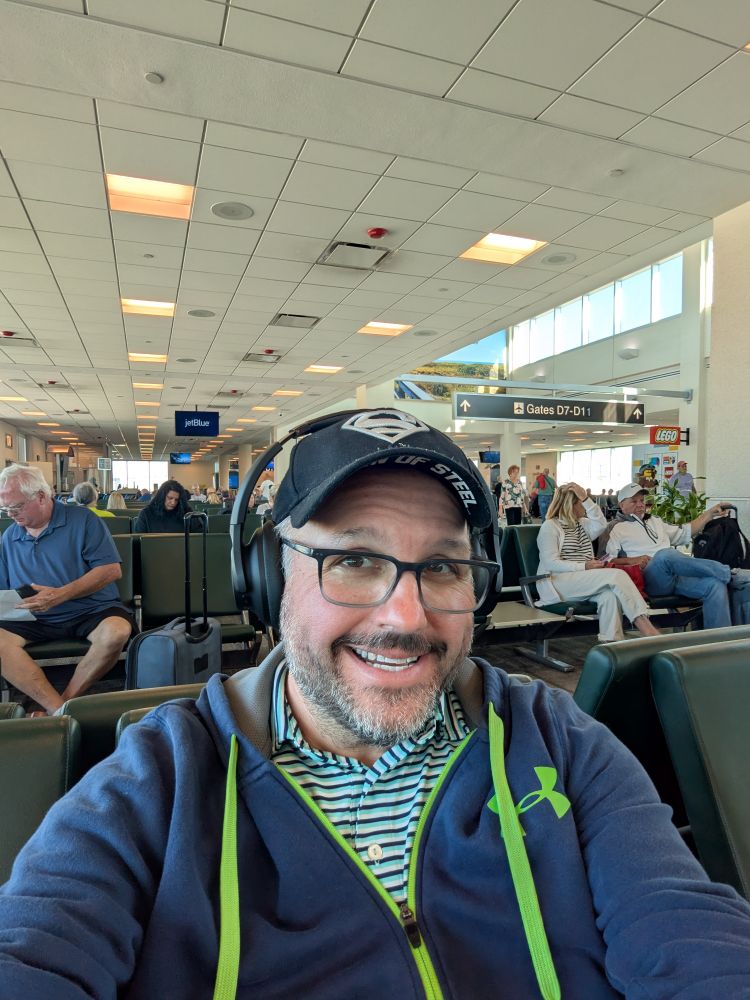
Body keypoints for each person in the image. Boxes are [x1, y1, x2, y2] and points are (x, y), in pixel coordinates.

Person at [1, 408, 750, 997]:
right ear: (268, 578)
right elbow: (35, 947)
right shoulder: (160, 779)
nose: (406, 616)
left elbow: (685, 926)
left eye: (444, 567)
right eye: (354, 559)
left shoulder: (555, 739)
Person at [0, 465, 134, 714]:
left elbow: (110, 570)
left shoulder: (83, 520)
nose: (10, 514)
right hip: (32, 615)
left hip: (90, 609)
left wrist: (59, 595)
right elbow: (3, 589)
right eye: (5, 508)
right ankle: (58, 710)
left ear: (41, 496)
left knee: (117, 632)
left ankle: (65, 702)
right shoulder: (10, 536)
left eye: (16, 507)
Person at [537, 483, 660, 643]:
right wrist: (584, 566)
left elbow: (601, 524)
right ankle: (646, 627)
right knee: (616, 575)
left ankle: (612, 643)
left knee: (609, 596)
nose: (586, 506)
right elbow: (550, 562)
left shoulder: (582, 524)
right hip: (558, 582)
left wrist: (585, 498)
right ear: (571, 504)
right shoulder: (550, 527)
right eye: (582, 502)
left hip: (582, 579)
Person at [606, 483, 734, 629]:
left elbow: (685, 532)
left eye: (642, 500)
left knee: (715, 586)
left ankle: (719, 638)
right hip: (647, 580)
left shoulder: (655, 521)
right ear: (621, 505)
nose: (640, 504)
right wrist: (633, 560)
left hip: (673, 577)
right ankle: (730, 573)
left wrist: (709, 514)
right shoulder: (615, 527)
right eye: (634, 501)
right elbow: (606, 560)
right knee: (664, 555)